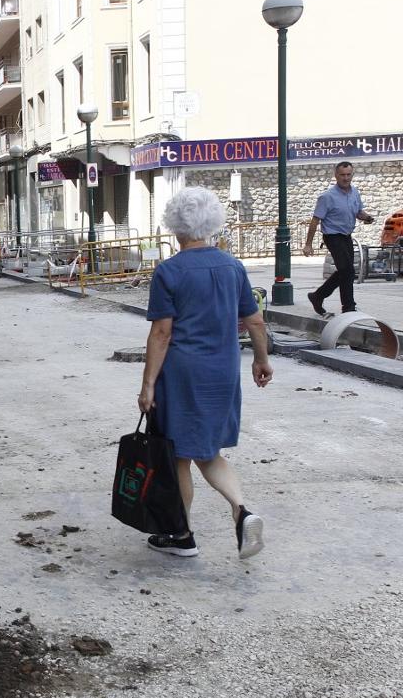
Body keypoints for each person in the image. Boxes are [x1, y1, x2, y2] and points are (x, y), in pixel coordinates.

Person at [138, 187, 273, 560]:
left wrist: (148, 384)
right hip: (223, 371)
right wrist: (261, 360)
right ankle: (241, 510)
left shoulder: (169, 271)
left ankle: (181, 535)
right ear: (213, 222)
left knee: (179, 455)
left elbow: (162, 333)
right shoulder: (233, 266)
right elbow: (256, 321)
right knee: (208, 451)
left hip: (182, 375)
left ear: (174, 225)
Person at [303, 161, 375, 316]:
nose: (346, 178)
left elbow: (358, 212)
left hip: (346, 235)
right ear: (336, 175)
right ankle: (344, 306)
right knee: (346, 270)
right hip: (332, 236)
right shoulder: (327, 197)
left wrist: (366, 217)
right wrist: (308, 244)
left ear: (352, 175)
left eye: (349, 174)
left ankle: (322, 298)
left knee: (347, 272)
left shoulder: (355, 192)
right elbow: (315, 220)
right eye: (342, 175)